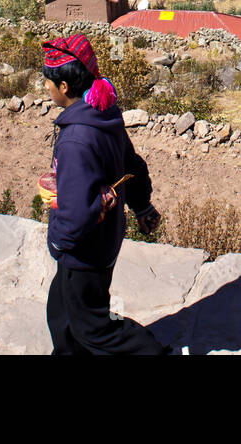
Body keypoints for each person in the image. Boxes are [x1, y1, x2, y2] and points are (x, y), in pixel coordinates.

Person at [40, 34, 167, 354]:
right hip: (104, 237)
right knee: (61, 313)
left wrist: (57, 240)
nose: (45, 88)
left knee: (94, 329)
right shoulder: (103, 115)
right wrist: (142, 206)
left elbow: (78, 214)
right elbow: (131, 164)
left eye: (47, 82)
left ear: (64, 88)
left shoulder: (75, 141)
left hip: (85, 250)